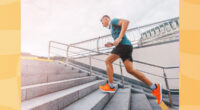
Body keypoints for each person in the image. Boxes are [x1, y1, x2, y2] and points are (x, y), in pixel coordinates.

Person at [99, 15, 162, 104]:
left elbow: (126, 22)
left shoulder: (113, 21)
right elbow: (118, 39)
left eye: (102, 22)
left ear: (106, 19)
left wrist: (119, 38)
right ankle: (154, 87)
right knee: (130, 70)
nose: (102, 24)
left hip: (124, 46)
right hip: (126, 47)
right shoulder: (112, 29)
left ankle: (111, 86)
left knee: (108, 61)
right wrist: (112, 44)